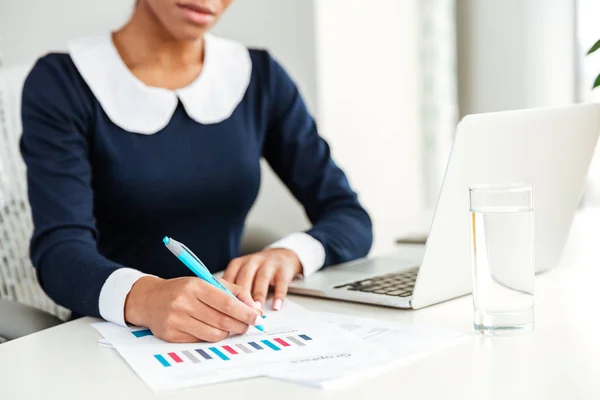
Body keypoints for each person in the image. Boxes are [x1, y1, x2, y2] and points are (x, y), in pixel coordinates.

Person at [20, 0, 372, 343]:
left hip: (229, 336)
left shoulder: (259, 76)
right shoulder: (62, 83)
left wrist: (291, 254)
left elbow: (349, 216)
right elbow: (60, 253)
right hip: (111, 339)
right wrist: (147, 297)